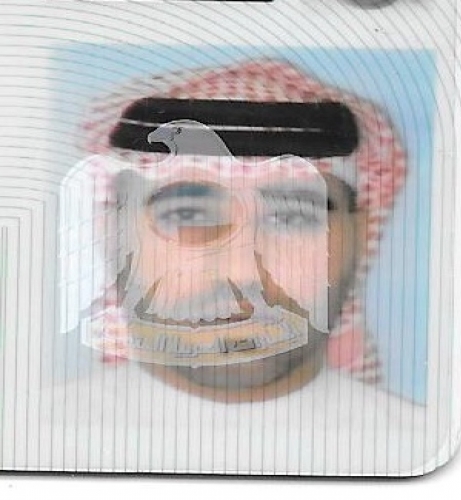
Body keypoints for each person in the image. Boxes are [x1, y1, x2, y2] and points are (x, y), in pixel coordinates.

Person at [51, 59, 427, 475]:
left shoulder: (419, 456)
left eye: (291, 218)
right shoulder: (37, 441)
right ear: (111, 233)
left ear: (360, 234)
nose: (243, 274)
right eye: (188, 215)